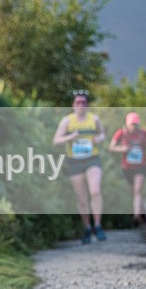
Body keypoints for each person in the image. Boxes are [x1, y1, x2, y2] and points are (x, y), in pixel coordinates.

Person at [53, 90, 107, 244]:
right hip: (74, 161)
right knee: (81, 198)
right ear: (73, 105)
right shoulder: (67, 122)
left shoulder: (94, 119)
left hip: (92, 159)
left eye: (83, 102)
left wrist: (99, 138)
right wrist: (70, 137)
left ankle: (98, 225)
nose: (81, 105)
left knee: (95, 191)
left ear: (87, 105)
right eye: (78, 102)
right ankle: (87, 228)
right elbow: (56, 141)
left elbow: (102, 135)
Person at [109, 112, 146, 226]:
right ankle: (142, 212)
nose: (133, 126)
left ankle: (136, 217)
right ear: (127, 124)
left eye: (135, 124)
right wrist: (122, 148)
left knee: (137, 190)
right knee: (134, 192)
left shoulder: (143, 133)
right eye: (132, 124)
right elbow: (111, 147)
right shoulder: (121, 133)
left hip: (141, 165)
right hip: (127, 167)